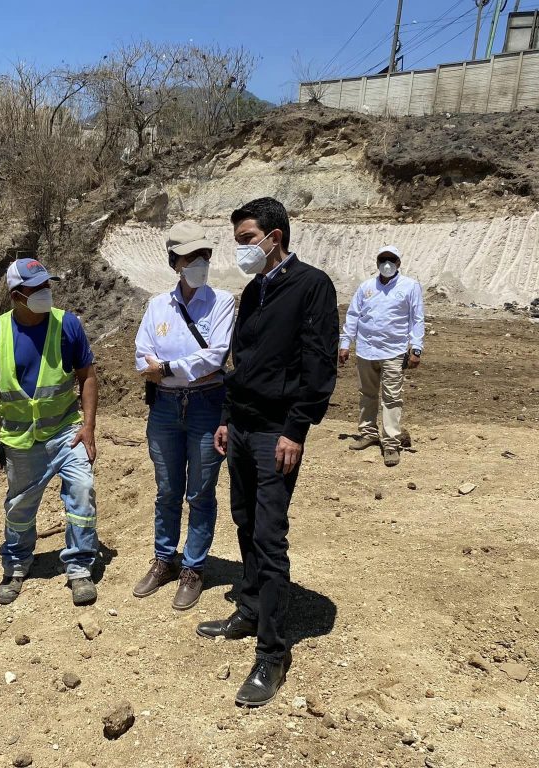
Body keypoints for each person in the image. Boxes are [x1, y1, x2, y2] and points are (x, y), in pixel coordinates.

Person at [197, 197, 338, 707]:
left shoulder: (312, 286)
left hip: (276, 431)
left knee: (269, 535)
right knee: (243, 520)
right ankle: (252, 608)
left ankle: (272, 654)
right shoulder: (254, 290)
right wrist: (226, 417)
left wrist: (296, 429)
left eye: (247, 239)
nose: (241, 249)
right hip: (241, 426)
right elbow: (241, 363)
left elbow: (319, 364)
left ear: (274, 237)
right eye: (238, 241)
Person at [0, 258, 99, 607]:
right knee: (20, 507)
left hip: (65, 431)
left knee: (82, 491)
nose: (45, 292)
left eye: (46, 285)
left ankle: (80, 567)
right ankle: (15, 564)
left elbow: (87, 376)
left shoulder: (67, 325)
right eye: (36, 288)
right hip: (20, 440)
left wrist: (88, 426)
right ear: (16, 295)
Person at [133, 221, 236, 611]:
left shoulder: (222, 302)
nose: (199, 263)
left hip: (207, 405)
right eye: (191, 257)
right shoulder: (158, 305)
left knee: (201, 491)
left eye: (204, 255)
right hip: (164, 406)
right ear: (175, 262)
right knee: (167, 490)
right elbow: (141, 356)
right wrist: (175, 369)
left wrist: (167, 367)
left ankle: (193, 567)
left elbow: (216, 356)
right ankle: (164, 559)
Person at [339, 245, 425, 468]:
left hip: (394, 351)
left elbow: (417, 318)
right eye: (383, 259)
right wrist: (345, 343)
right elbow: (353, 315)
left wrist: (416, 348)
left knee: (392, 397)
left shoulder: (409, 286)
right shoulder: (366, 286)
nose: (387, 264)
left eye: (391, 259)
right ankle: (368, 433)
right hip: (366, 350)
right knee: (367, 393)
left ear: (398, 263)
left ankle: (391, 443)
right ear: (377, 263)